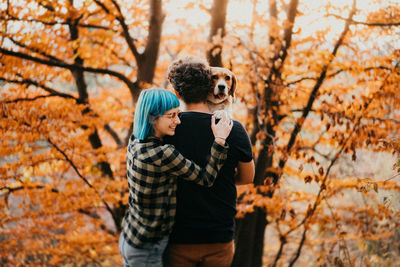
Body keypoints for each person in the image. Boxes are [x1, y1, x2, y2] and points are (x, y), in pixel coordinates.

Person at [119, 88, 233, 267]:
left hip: (130, 236)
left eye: (178, 114)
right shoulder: (163, 154)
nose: (178, 121)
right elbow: (206, 178)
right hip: (148, 248)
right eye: (171, 116)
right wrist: (219, 140)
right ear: (152, 117)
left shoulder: (135, 142)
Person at [165, 56, 255, 267]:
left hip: (179, 236)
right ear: (208, 86)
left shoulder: (166, 128)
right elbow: (248, 177)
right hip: (219, 235)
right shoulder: (235, 129)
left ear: (177, 93)